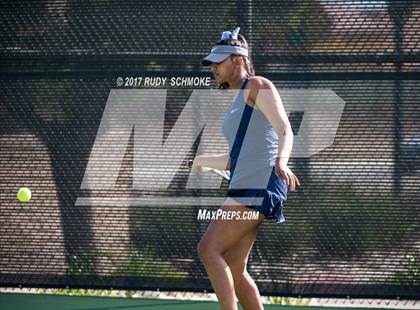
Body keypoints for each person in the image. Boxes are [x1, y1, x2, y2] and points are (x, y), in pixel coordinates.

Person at [190, 27, 300, 310]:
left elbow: (285, 129)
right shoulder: (238, 100)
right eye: (212, 62)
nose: (213, 67)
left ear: (238, 60)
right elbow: (235, 158)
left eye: (219, 61)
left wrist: (282, 161)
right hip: (246, 183)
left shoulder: (257, 86)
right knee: (236, 269)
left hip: (260, 183)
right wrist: (202, 161)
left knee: (209, 248)